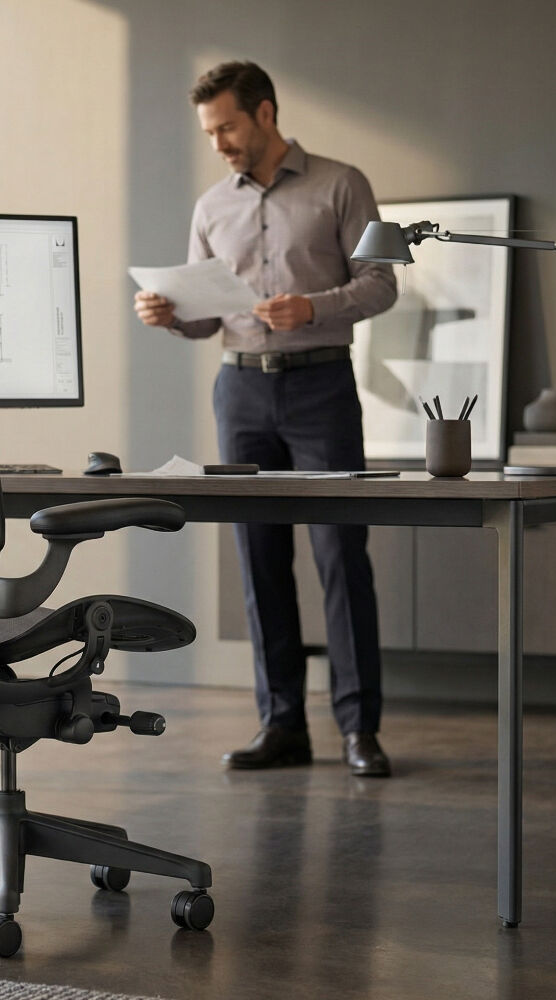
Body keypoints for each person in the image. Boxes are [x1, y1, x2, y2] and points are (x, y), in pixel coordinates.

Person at [134, 61, 398, 777]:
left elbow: (382, 284)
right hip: (241, 390)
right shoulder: (210, 206)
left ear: (266, 113)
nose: (218, 142)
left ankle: (358, 730)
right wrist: (169, 314)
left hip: (321, 389)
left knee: (341, 557)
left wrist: (314, 307)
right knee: (259, 560)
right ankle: (282, 723)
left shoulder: (343, 183)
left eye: (227, 126)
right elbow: (202, 316)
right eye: (210, 131)